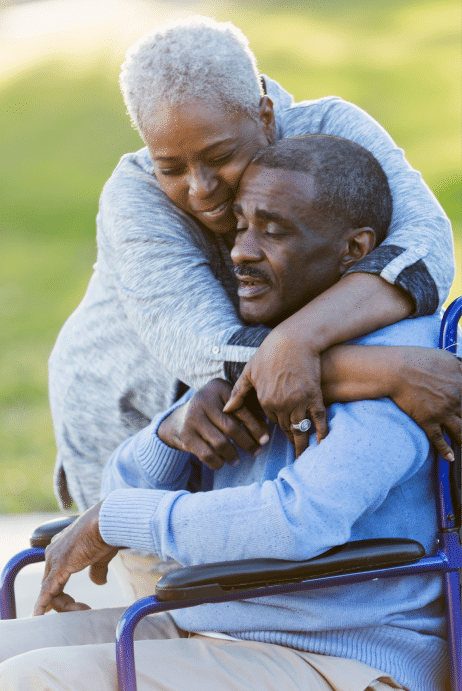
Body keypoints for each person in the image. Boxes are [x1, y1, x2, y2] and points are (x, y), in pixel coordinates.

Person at [0, 135, 454, 691]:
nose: (241, 250)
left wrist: (117, 518)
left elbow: (296, 521)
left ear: (354, 250)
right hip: (214, 628)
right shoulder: (263, 345)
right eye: (240, 226)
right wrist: (169, 435)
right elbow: (114, 491)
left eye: (275, 230)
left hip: (342, 657)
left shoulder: (404, 366)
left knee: (32, 679)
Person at [48, 16, 460, 529]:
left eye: (220, 156)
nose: (200, 190)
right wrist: (390, 371)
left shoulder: (327, 126)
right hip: (133, 417)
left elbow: (423, 249)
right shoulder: (134, 196)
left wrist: (298, 339)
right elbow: (209, 351)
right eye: (171, 167)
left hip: (251, 420)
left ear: (265, 115)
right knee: (172, 567)